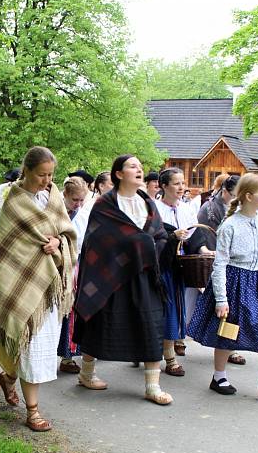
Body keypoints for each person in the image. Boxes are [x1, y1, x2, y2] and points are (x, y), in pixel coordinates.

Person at [0, 146, 77, 432]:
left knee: (38, 347)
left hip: (48, 288)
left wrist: (58, 244)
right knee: (25, 343)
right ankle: (32, 411)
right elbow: (6, 246)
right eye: (41, 175)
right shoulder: (13, 200)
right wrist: (41, 245)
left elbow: (68, 232)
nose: (46, 180)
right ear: (26, 170)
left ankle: (10, 378)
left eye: (51, 175)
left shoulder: (55, 196)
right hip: (17, 284)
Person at [73, 154, 173, 405]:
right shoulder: (104, 204)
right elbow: (96, 241)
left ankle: (152, 386)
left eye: (140, 166)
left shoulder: (148, 203)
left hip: (144, 272)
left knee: (151, 324)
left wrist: (148, 246)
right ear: (118, 174)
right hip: (110, 274)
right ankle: (86, 374)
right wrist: (134, 243)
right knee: (100, 321)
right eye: (132, 166)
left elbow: (159, 235)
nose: (139, 170)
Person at [188, 174, 258, 401]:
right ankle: (219, 377)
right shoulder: (230, 225)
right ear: (248, 196)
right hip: (235, 282)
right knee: (229, 330)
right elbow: (220, 264)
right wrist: (221, 298)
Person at [196, 174, 245, 366]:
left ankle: (230, 347)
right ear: (225, 191)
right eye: (234, 194)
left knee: (233, 311)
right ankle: (225, 348)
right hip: (217, 261)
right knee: (221, 309)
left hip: (237, 264)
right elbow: (207, 237)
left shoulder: (241, 209)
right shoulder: (209, 209)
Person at [155, 168, 199, 367]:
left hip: (179, 266)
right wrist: (172, 236)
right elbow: (150, 239)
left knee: (176, 307)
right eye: (176, 183)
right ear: (164, 186)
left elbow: (196, 236)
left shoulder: (187, 209)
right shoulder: (155, 209)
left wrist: (203, 249)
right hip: (161, 266)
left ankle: (167, 350)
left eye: (182, 183)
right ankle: (169, 357)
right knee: (166, 308)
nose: (181, 187)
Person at [58, 176, 90, 374]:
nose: (77, 204)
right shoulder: (55, 211)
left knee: (72, 313)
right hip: (56, 265)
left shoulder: (84, 215)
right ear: (65, 195)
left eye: (81, 200)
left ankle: (68, 356)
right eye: (74, 200)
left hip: (76, 267)